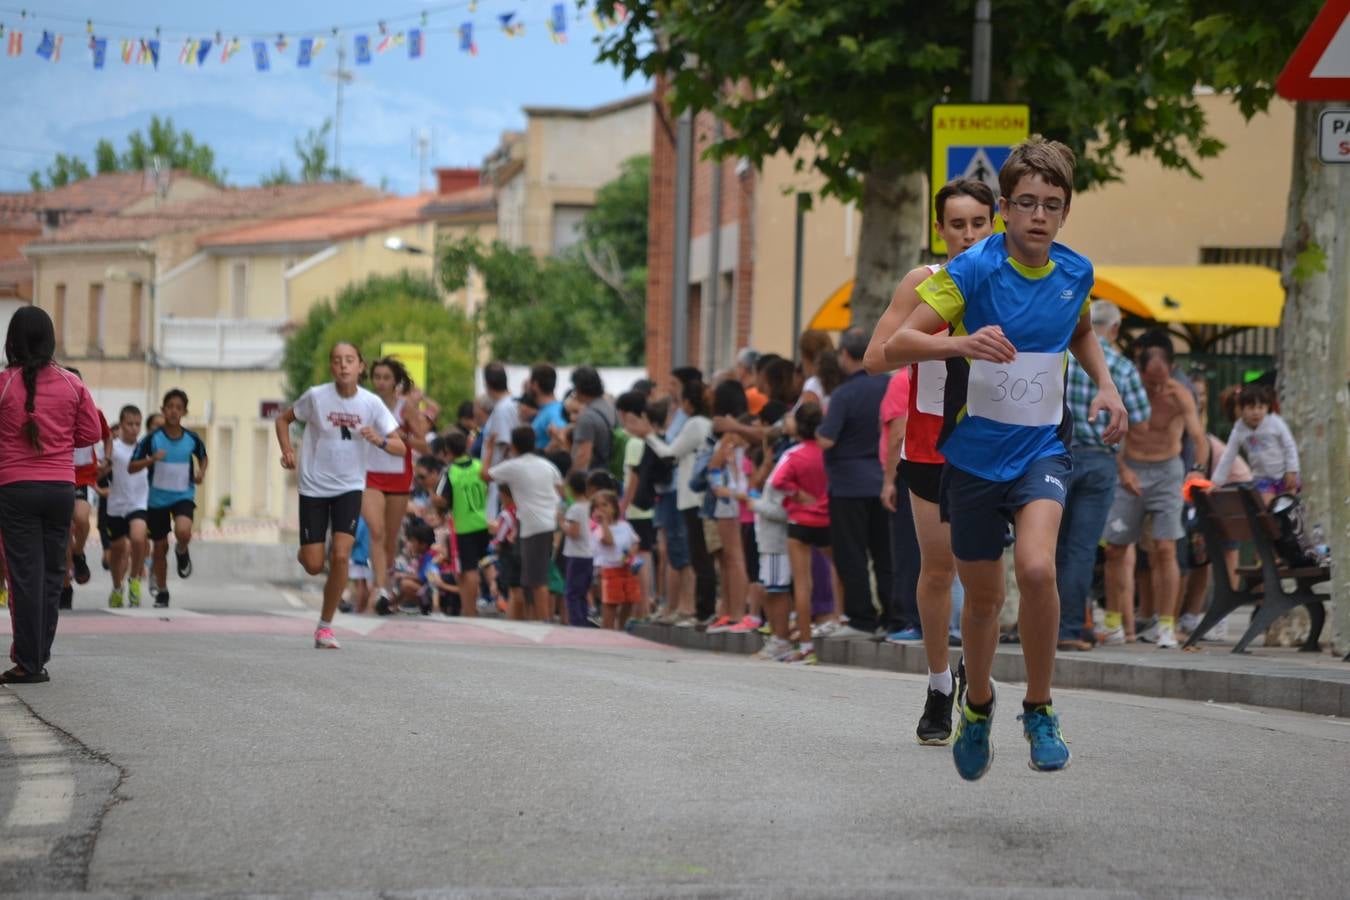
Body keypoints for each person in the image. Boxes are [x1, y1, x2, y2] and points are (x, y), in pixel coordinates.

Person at [886, 137, 1127, 779]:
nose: (1039, 216)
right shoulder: (972, 271)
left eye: (1052, 205)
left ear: (1066, 211)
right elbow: (894, 344)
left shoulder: (1077, 271)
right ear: (1006, 212)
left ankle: (1041, 707)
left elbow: (1077, 326)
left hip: (1042, 445)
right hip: (970, 456)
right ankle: (980, 703)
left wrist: (1103, 382)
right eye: (1026, 203)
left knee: (1038, 567)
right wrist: (962, 343)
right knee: (984, 598)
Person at [866, 176, 996, 742]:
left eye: (978, 223)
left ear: (995, 223)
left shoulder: (1013, 281)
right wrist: (950, 341)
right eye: (956, 225)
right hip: (930, 448)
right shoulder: (925, 283)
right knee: (939, 569)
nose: (968, 236)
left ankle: (979, 675)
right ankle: (941, 684)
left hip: (997, 445)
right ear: (939, 230)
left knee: (984, 576)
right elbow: (876, 358)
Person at [276, 342, 404, 649]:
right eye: (337, 361)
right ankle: (306, 553)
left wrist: (380, 441)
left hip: (349, 486)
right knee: (313, 563)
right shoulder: (316, 397)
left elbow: (400, 447)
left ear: (360, 367)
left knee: (342, 555)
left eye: (349, 360)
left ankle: (325, 626)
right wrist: (287, 450)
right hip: (314, 485)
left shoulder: (372, 404)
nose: (343, 366)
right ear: (332, 367)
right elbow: (283, 419)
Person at [0, 307, 104, 684]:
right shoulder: (72, 384)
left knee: (24, 577)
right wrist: (59, 442)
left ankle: (28, 661)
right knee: (51, 575)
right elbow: (91, 433)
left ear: (12, 341)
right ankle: (38, 655)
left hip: (15, 489)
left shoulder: (4, 383)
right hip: (61, 488)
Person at [1053, 301, 1152, 651]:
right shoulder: (1122, 369)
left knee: (1051, 547)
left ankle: (1042, 622)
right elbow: (1139, 417)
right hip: (1099, 462)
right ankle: (1068, 627)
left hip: (1055, 457)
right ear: (1114, 329)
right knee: (1081, 550)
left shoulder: (1060, 352)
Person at [1101, 334, 1209, 649]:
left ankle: (1166, 624)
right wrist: (1123, 471)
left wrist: (1196, 472)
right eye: (1151, 382)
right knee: (1114, 548)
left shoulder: (1180, 395)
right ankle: (1112, 623)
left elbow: (1198, 437)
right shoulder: (1129, 390)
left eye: (1163, 381)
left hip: (1167, 472)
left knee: (1166, 548)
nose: (1157, 389)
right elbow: (1114, 433)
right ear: (1140, 372)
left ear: (1172, 370)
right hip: (1131, 468)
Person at [816, 327, 894, 640]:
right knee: (886, 554)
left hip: (848, 486)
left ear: (846, 356)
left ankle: (862, 618)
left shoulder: (843, 394)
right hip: (884, 481)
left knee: (852, 555)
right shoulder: (890, 385)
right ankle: (894, 614)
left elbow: (826, 439)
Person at [623, 381, 715, 626]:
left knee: (687, 554)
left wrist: (649, 436)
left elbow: (669, 452)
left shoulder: (695, 424)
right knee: (684, 553)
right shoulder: (694, 423)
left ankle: (691, 607)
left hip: (684, 494)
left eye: (678, 401)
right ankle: (685, 607)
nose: (675, 408)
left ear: (687, 403)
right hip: (681, 495)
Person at [363, 356, 431, 616]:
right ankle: (380, 588)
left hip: (399, 476)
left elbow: (425, 445)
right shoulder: (365, 404)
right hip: (369, 475)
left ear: (396, 381)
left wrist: (403, 437)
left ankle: (384, 586)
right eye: (377, 377)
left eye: (386, 378)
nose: (380, 382)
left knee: (390, 539)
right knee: (376, 531)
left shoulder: (406, 408)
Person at [128, 389, 207, 609]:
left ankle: (182, 549)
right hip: (157, 500)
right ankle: (162, 591)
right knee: (160, 547)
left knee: (183, 531)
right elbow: (132, 466)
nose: (173, 411)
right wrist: (151, 459)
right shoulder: (152, 439)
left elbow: (204, 457)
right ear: (163, 410)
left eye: (178, 408)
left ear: (184, 412)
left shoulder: (191, 438)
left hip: (183, 494)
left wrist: (201, 473)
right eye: (170, 407)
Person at [482, 426, 563, 622]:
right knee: (530, 578)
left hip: (534, 526)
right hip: (546, 524)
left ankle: (544, 620)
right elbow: (560, 490)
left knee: (537, 579)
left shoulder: (515, 465)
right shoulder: (547, 465)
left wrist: (489, 448)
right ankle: (535, 618)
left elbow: (485, 475)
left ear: (514, 445)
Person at [771, 402, 831, 665]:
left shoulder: (793, 454)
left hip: (799, 522)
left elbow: (776, 482)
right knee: (838, 574)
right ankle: (838, 620)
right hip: (828, 519)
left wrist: (796, 494)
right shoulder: (830, 452)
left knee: (802, 585)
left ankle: (807, 647)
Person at [1210, 383, 1299, 504]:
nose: (1256, 412)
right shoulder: (1239, 430)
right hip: (1262, 478)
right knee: (1269, 510)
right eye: (1251, 408)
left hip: (1284, 475)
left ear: (1267, 407)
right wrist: (1216, 482)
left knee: (1287, 509)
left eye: (1261, 407)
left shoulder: (1276, 423)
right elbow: (1228, 456)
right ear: (1242, 409)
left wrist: (1292, 470)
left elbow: (1289, 446)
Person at [436, 430, 488, 618]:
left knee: (467, 570)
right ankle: (471, 608)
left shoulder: (450, 471)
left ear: (447, 450)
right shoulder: (478, 465)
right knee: (474, 567)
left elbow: (440, 498)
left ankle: (470, 611)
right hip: (483, 521)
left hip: (463, 525)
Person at [106, 405, 151, 608]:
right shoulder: (112, 447)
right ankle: (117, 587)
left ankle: (134, 579)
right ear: (121, 424)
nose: (134, 428)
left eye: (137, 424)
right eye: (129, 424)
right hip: (116, 505)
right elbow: (99, 470)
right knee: (117, 550)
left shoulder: (146, 447)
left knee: (138, 537)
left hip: (139, 502)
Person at [591, 490, 640, 629]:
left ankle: (621, 627)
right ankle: (607, 631)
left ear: (614, 507)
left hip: (626, 569)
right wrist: (605, 522)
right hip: (608, 571)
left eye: (604, 505)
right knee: (610, 604)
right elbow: (608, 541)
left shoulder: (625, 526)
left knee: (629, 600)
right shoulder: (599, 529)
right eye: (597, 507)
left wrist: (631, 553)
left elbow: (635, 541)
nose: (601, 509)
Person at [561, 470, 595, 627]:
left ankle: (577, 622)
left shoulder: (575, 508)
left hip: (576, 555)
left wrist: (561, 522)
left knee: (572, 592)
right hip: (588, 554)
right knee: (581, 592)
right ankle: (583, 621)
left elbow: (574, 532)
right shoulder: (590, 506)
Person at [569, 366, 617, 475]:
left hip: (592, 477)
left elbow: (583, 456)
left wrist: (570, 482)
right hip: (608, 473)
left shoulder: (587, 417)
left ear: (578, 388)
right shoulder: (610, 407)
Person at [528, 364, 567, 452]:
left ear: (535, 384)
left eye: (529, 382)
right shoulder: (550, 409)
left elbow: (562, 435)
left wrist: (542, 455)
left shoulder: (552, 412)